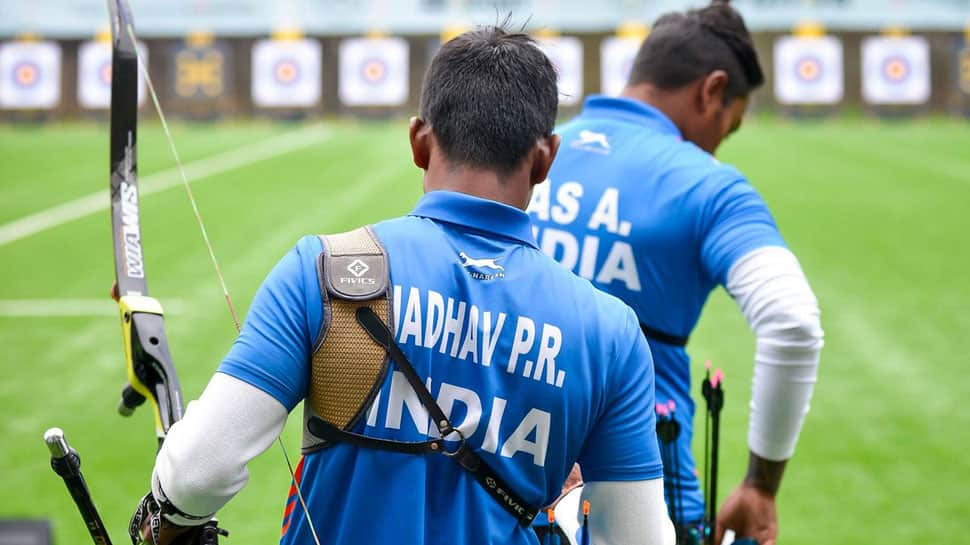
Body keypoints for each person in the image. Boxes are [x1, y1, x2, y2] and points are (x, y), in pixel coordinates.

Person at [129, 26, 675, 545]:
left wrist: (164, 515)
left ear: (418, 141)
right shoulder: (610, 331)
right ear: (545, 159)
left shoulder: (326, 269)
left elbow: (199, 472)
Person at [526, 3, 824, 545]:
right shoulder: (709, 186)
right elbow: (793, 321)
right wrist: (760, 486)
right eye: (725, 129)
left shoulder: (533, 153)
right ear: (712, 90)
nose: (715, 144)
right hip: (643, 503)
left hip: (509, 485)